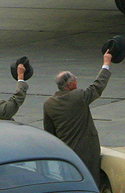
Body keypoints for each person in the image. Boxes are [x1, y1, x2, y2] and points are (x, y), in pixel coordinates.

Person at [42, 51, 113, 183]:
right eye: (75, 80)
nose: (77, 82)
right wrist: (106, 64)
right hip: (86, 151)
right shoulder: (78, 97)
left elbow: (50, 132)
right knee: (90, 181)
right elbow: (97, 86)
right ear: (69, 85)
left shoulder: (49, 103)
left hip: (66, 152)